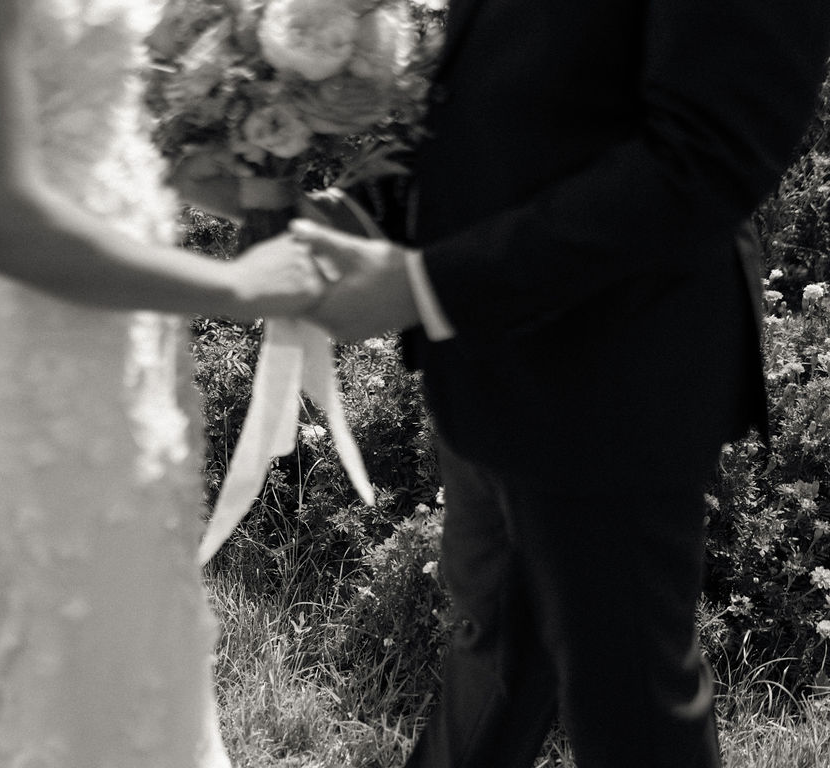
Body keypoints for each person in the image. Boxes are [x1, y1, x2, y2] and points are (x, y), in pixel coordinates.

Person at [291, 3, 830, 767]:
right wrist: (355, 212)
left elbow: (705, 158)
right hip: (486, 365)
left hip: (615, 379)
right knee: (493, 662)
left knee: (633, 720)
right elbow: (493, 93)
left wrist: (427, 285)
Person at [0, 1, 328, 767]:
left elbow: (102, 130)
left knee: (127, 605)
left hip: (127, 329)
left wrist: (243, 180)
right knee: (61, 624)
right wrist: (236, 288)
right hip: (29, 349)